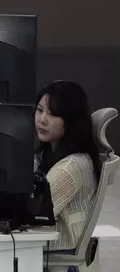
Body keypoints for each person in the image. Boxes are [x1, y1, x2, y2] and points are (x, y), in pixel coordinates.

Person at [34, 80, 102, 251]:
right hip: (43, 249)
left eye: (53, 114)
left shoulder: (70, 167)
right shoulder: (45, 155)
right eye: (40, 110)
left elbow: (34, 214)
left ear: (72, 120)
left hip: (56, 251)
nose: (42, 120)